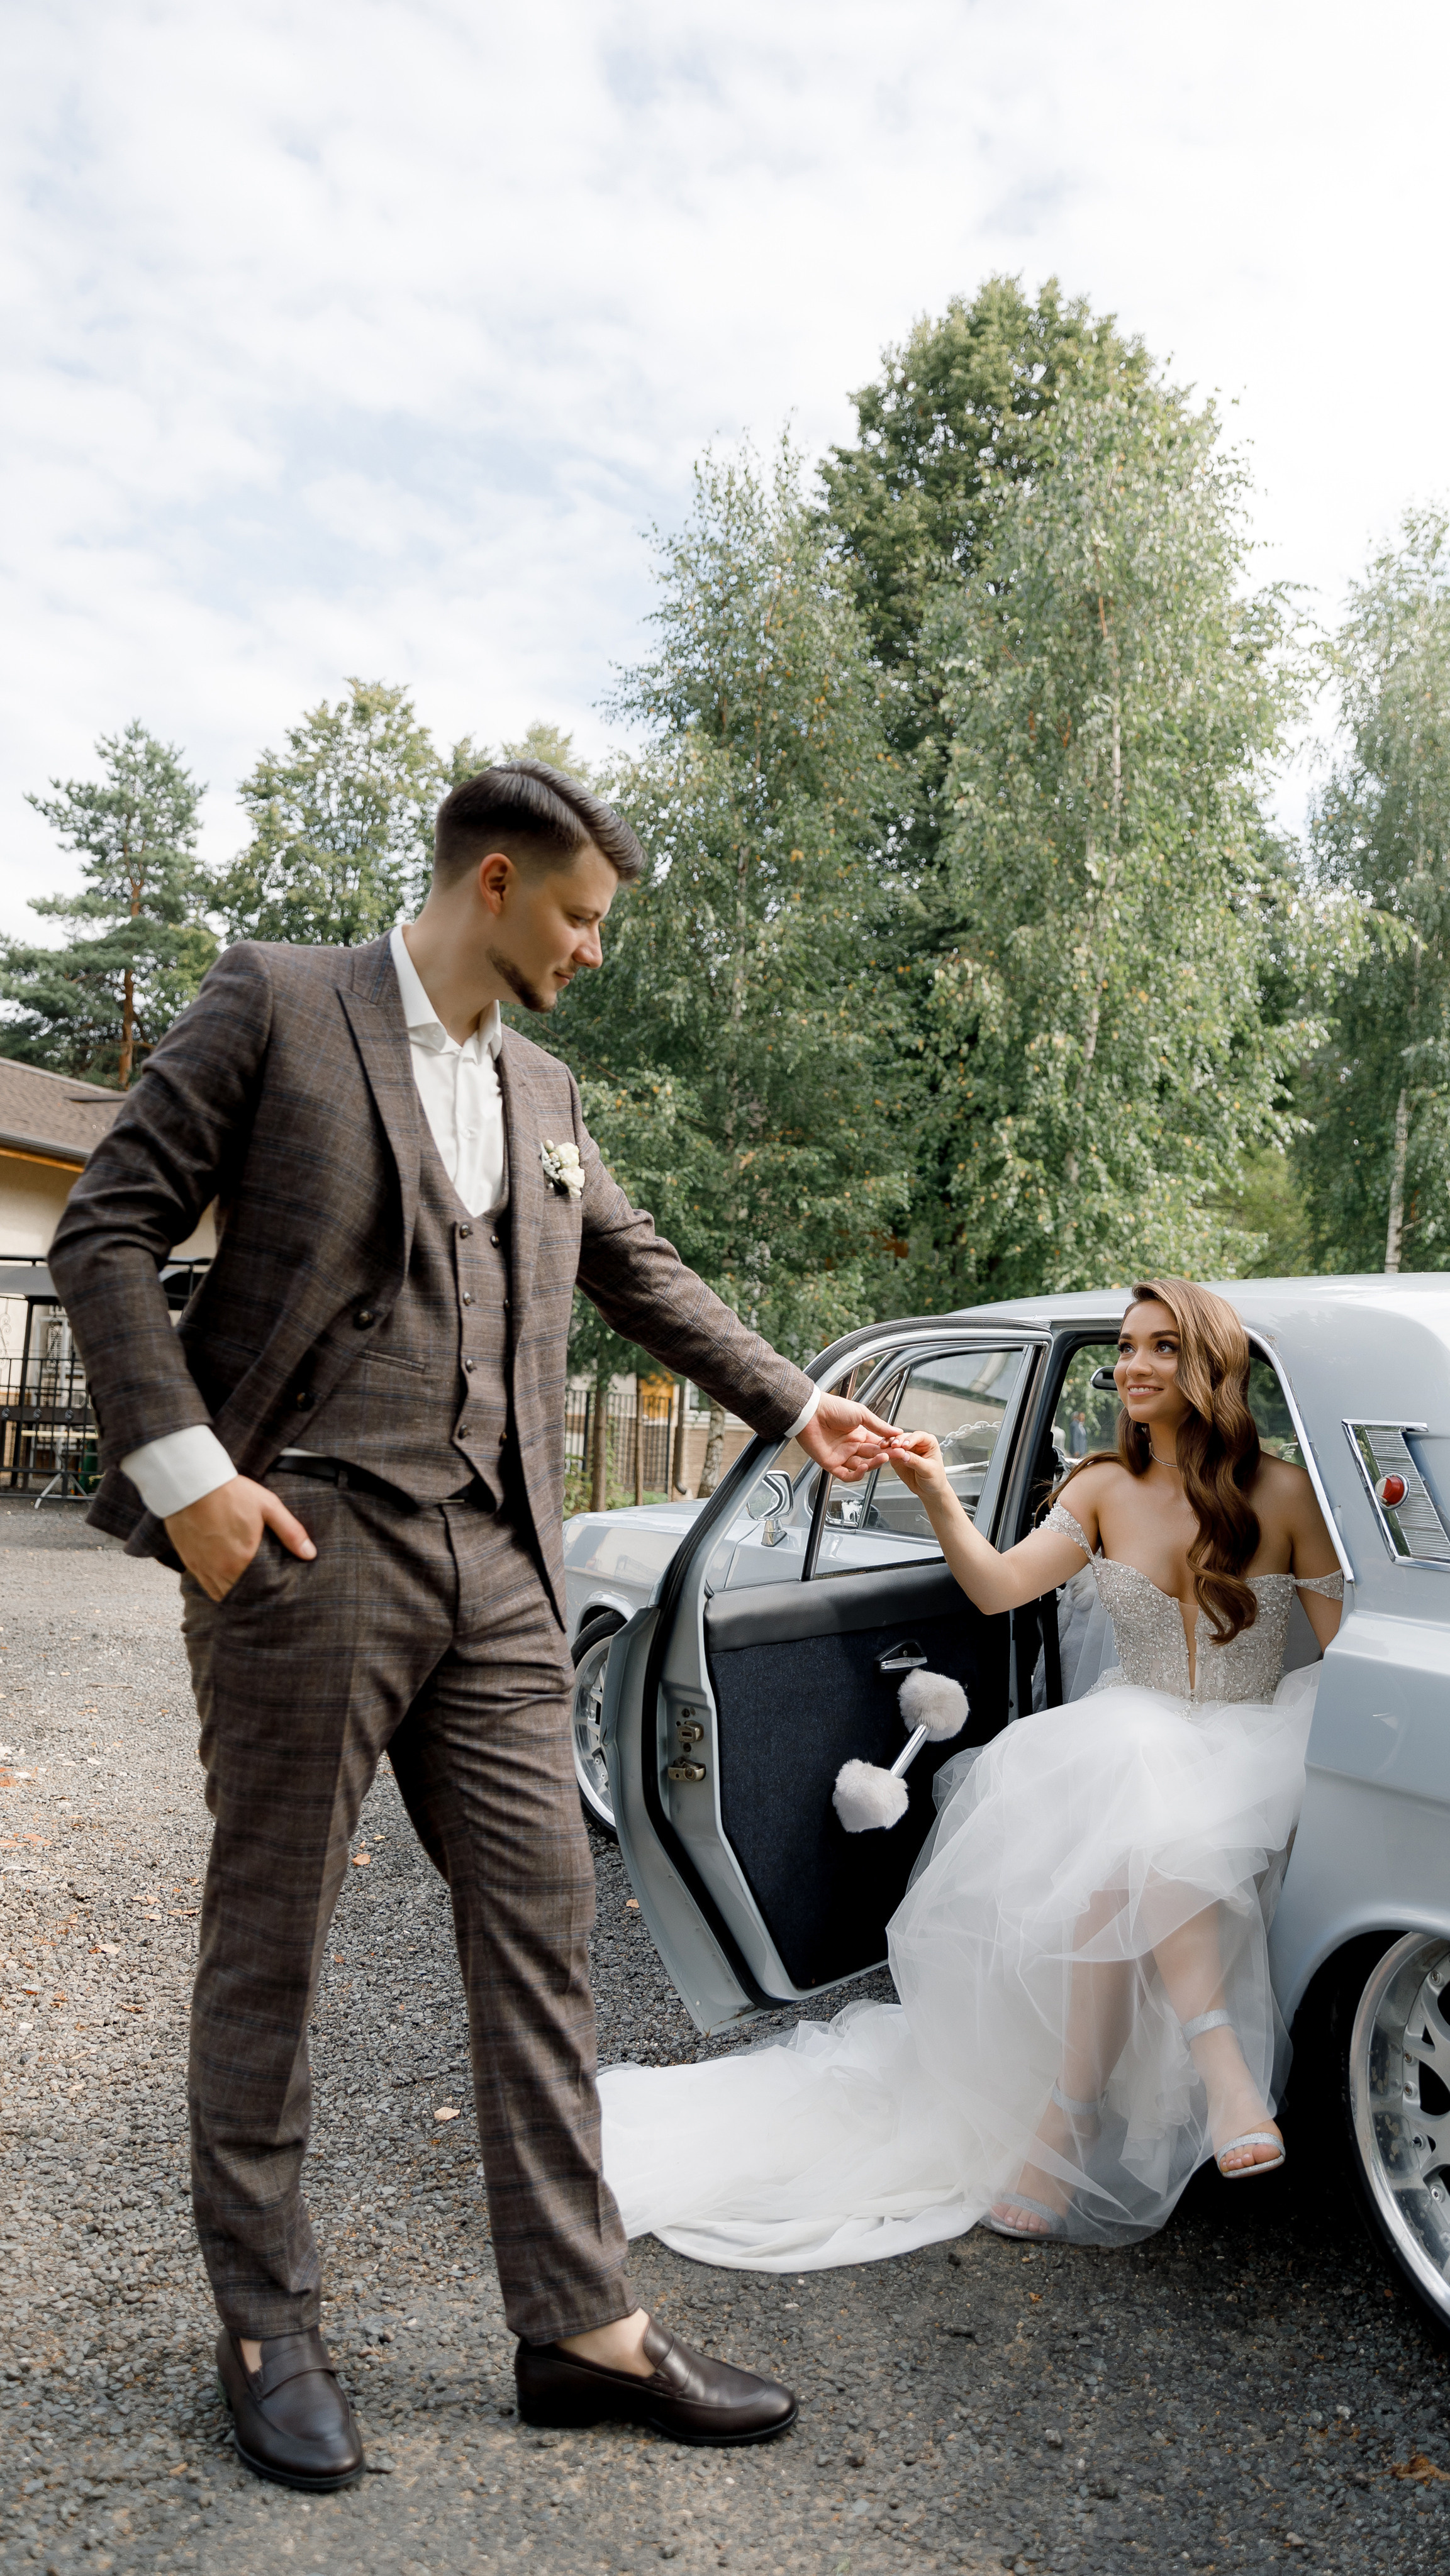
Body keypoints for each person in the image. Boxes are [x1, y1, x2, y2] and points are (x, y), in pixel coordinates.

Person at [48, 760, 898, 2487]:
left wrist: (790, 1398)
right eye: (582, 917)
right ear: (494, 883)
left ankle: (579, 2324)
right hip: (302, 1541)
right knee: (271, 1944)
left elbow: (630, 1261)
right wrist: (191, 1472)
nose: (594, 950)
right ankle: (268, 2322)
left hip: (500, 1564)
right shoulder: (277, 1000)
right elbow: (106, 1226)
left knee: (545, 1931)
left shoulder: (546, 1084)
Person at [598, 1278, 1342, 2265]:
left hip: (1259, 1737)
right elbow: (996, 1592)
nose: (1131, 1366)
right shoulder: (1097, 1486)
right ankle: (1216, 2084)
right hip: (1138, 1730)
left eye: (1161, 1348)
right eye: (1124, 1348)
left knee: (1132, 1823)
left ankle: (1071, 2122)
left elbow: (1341, 1649)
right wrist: (937, 1492)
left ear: (1212, 1364)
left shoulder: (1283, 1492)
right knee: (1129, 1812)